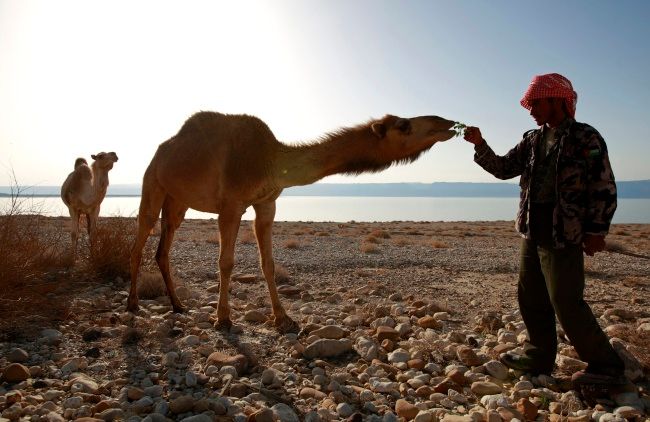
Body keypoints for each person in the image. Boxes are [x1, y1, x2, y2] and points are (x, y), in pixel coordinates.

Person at [463, 73, 626, 385]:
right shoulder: (532, 140)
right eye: (530, 103)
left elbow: (603, 185)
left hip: (564, 233)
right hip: (531, 230)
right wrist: (480, 144)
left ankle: (607, 366)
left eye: (536, 102)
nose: (530, 109)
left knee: (566, 301)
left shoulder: (585, 138)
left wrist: (596, 231)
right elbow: (502, 169)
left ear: (556, 101)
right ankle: (538, 357)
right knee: (530, 297)